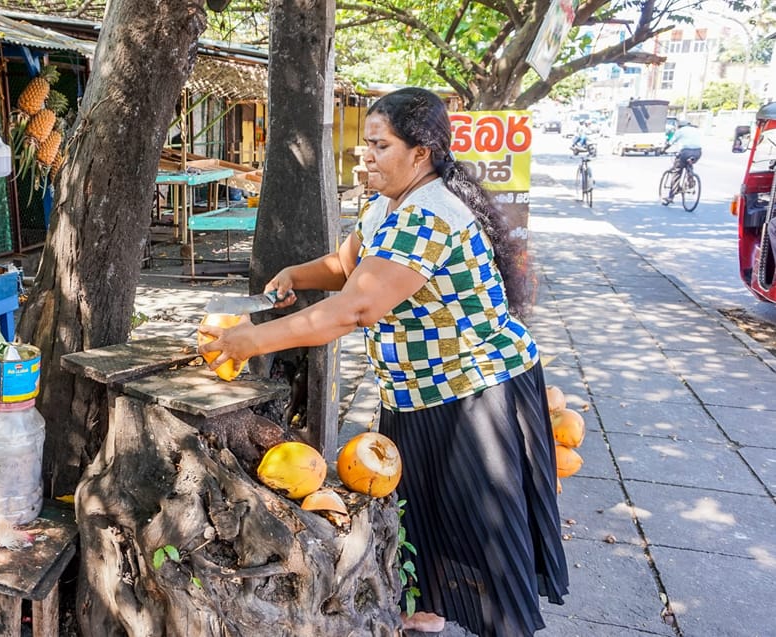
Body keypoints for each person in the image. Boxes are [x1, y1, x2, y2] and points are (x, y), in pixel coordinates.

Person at [197, 87, 569, 637]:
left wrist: (252, 341)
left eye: (379, 145)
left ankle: (498, 625)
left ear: (422, 152)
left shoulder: (431, 214)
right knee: (418, 507)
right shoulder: (385, 204)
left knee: (475, 523)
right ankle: (427, 609)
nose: (364, 156)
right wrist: (297, 275)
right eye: (364, 145)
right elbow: (348, 265)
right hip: (416, 389)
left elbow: (359, 306)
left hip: (474, 392)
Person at [661, 120, 702, 205]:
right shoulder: (695, 130)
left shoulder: (680, 131)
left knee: (676, 172)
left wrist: (663, 149)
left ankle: (671, 196)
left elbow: (671, 142)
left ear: (679, 126)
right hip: (698, 152)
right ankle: (691, 182)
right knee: (689, 163)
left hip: (685, 152)